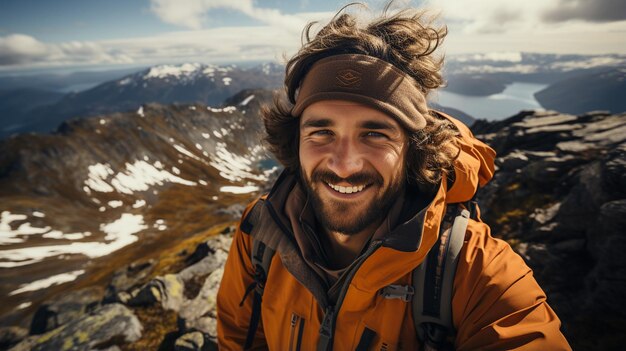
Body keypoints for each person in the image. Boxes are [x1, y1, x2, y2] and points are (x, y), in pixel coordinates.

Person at [217, 3, 571, 350]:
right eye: (321, 132)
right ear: (296, 142)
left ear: (413, 149)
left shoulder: (476, 273)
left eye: (375, 134)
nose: (343, 164)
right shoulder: (260, 234)